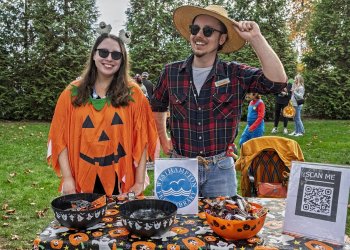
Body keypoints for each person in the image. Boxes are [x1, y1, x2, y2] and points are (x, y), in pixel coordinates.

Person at [151, 4, 287, 197]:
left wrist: (256, 38)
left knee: (222, 224)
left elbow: (277, 82)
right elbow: (157, 106)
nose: (199, 35)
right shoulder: (170, 72)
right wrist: (164, 139)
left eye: (208, 31)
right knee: (177, 226)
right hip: (179, 167)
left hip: (220, 170)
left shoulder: (235, 73)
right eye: (195, 29)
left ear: (221, 39)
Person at [47, 33, 158, 197]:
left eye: (116, 54)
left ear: (122, 60)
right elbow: (59, 139)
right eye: (103, 52)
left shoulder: (133, 94)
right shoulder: (72, 93)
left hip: (121, 180)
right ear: (94, 55)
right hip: (81, 177)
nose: (109, 58)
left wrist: (139, 181)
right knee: (85, 221)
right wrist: (68, 178)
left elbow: (142, 139)